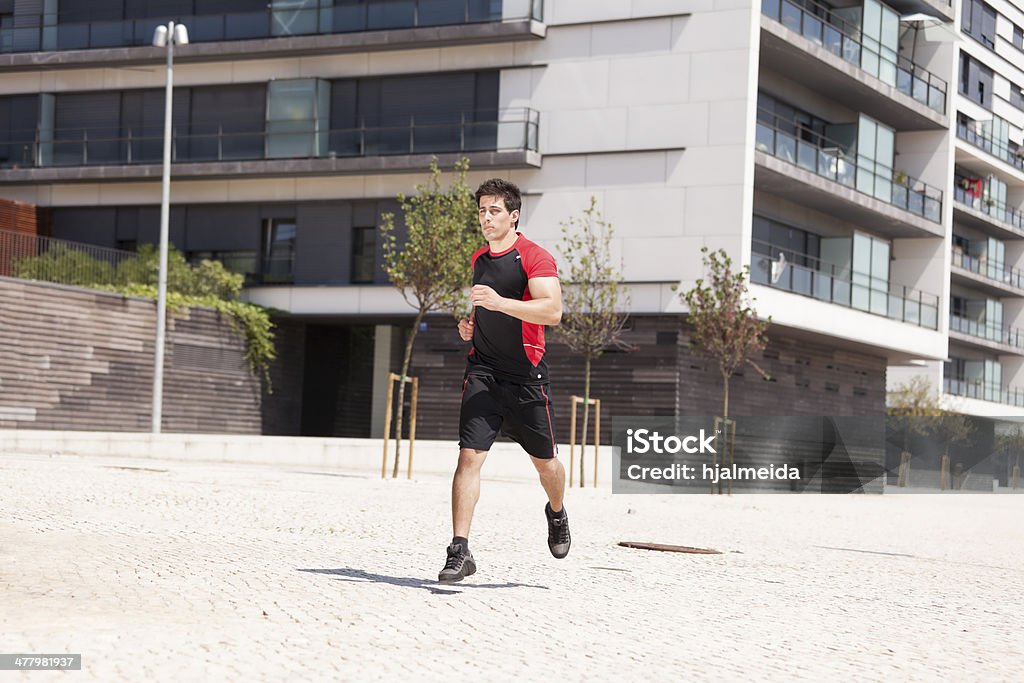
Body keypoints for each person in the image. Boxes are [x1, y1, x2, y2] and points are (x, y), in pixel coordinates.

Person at [438, 178, 570, 583]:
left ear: (513, 216)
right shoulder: (480, 258)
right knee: (469, 457)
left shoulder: (535, 257)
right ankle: (459, 550)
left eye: (494, 210)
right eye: (481, 211)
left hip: (527, 377)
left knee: (546, 465)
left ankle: (557, 512)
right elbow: (485, 314)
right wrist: (470, 326)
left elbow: (552, 311)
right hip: (483, 371)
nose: (486, 218)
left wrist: (500, 304)